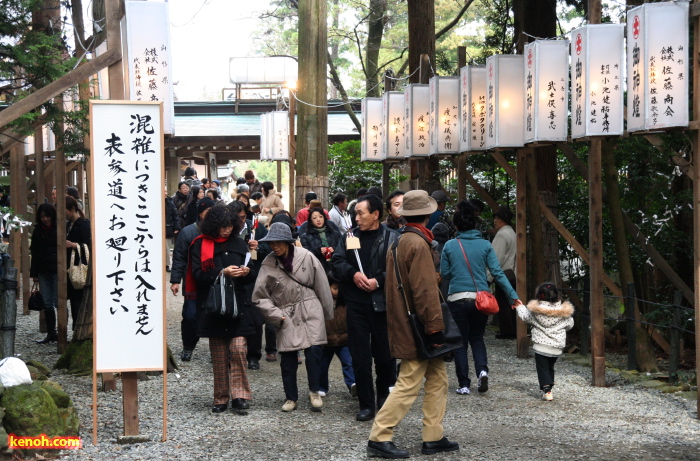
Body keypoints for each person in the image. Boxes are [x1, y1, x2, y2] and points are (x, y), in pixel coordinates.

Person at [367, 189, 459, 459]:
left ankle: (433, 436)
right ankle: (379, 435)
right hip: (420, 324)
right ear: (429, 214)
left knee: (438, 378)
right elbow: (423, 291)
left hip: (405, 318)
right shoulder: (418, 243)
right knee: (409, 381)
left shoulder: (401, 240)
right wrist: (434, 326)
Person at [440, 200, 521, 395]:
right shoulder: (485, 245)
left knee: (460, 342)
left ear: (457, 226)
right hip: (480, 299)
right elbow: (497, 272)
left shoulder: (450, 245)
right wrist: (513, 296)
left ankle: (464, 384)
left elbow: (445, 272)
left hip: (457, 298)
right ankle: (482, 371)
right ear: (474, 225)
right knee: (477, 338)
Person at [331, 194, 398, 421]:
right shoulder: (349, 236)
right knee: (359, 355)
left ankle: (384, 399)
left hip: (383, 304)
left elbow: (400, 270)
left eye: (361, 213)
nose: (356, 217)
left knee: (384, 355)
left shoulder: (392, 238)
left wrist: (378, 280)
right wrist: (353, 274)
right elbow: (337, 263)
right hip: (356, 304)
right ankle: (366, 403)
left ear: (376, 214)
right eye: (355, 213)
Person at [253, 223, 333, 412]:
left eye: (279, 243)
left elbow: (322, 285)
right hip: (285, 313)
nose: (275, 247)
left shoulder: (306, 256)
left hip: (310, 309)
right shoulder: (268, 263)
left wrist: (327, 314)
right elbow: (259, 296)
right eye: (272, 243)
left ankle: (314, 391)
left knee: (314, 352)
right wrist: (276, 316)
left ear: (288, 242)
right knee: (288, 357)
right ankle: (291, 397)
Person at [188, 204, 256, 414]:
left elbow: (253, 271)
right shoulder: (200, 244)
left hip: (238, 304)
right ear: (213, 225)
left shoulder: (239, 243)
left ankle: (240, 395)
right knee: (218, 355)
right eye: (223, 226)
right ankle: (221, 397)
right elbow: (198, 275)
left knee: (238, 349)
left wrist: (246, 272)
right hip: (214, 305)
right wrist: (221, 272)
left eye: (230, 226)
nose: (227, 230)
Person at [300, 207, 355, 397]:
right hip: (319, 274)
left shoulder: (335, 232)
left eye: (320, 217)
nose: (318, 220)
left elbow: (343, 250)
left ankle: (353, 383)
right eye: (314, 218)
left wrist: (333, 251)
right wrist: (319, 250)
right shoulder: (306, 234)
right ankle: (322, 386)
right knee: (325, 358)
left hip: (336, 272)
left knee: (347, 358)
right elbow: (306, 253)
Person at [170, 198, 216, 361]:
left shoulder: (219, 231)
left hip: (213, 281)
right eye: (206, 211)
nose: (209, 214)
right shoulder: (188, 232)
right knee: (190, 316)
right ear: (200, 213)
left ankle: (216, 351)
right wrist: (175, 280)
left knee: (215, 315)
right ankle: (188, 346)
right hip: (192, 281)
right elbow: (179, 257)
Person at [227, 201, 270, 371]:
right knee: (231, 314)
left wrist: (259, 246)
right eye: (236, 218)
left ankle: (253, 355)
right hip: (232, 277)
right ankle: (232, 353)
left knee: (255, 317)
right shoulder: (226, 230)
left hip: (253, 276)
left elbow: (270, 248)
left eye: (243, 217)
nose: (239, 221)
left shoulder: (256, 228)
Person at [516, 283, 574, 401]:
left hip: (541, 346)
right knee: (550, 367)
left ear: (539, 296)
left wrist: (520, 306)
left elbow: (524, 316)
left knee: (542, 368)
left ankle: (547, 390)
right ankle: (549, 387)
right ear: (557, 296)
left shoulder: (535, 312)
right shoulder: (564, 312)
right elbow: (570, 325)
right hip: (557, 347)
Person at [30, 203, 58, 344]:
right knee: (47, 302)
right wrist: (34, 272)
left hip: (56, 268)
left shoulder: (59, 228)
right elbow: (34, 251)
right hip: (43, 269)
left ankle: (62, 330)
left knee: (60, 300)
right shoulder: (37, 230)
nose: (45, 219)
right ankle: (51, 332)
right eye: (42, 217)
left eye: (47, 216)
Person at [491, 206, 517, 339]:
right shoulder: (512, 233)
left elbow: (496, 258)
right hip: (512, 272)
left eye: (498, 218)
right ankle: (513, 329)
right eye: (495, 218)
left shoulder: (501, 234)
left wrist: (489, 277)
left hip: (503, 272)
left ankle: (507, 331)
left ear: (504, 220)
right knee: (511, 302)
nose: (495, 221)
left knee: (503, 303)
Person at [66, 196, 91, 329]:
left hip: (79, 267)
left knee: (78, 301)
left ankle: (79, 329)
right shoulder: (69, 224)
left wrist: (75, 245)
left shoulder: (84, 224)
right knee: (74, 301)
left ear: (72, 209)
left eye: (65, 210)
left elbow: (89, 246)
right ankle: (76, 328)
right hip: (70, 266)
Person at [165, 188, 181, 272]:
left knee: (167, 248)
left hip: (168, 228)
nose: (165, 193)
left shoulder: (170, 202)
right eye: (163, 191)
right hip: (159, 229)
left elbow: (175, 216)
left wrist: (176, 227)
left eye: (166, 191)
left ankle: (167, 264)